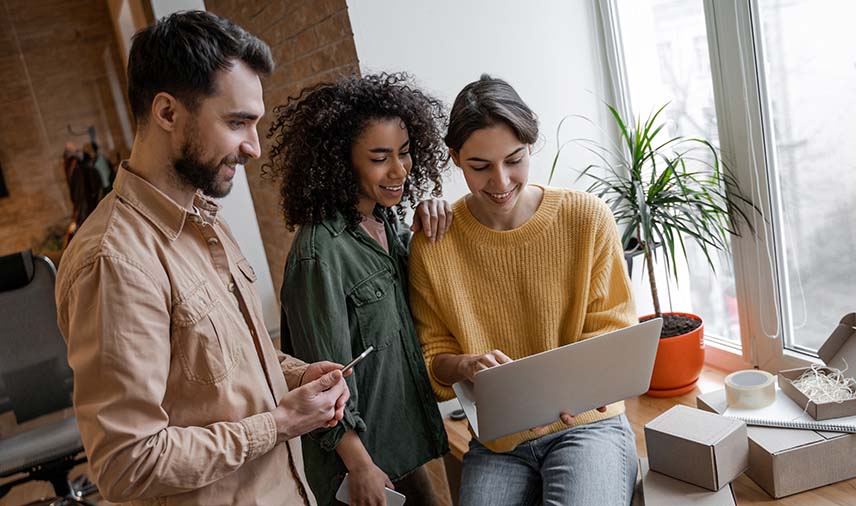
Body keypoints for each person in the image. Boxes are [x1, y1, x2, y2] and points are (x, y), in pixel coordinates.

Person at [55, 11, 350, 506]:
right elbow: (128, 464)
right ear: (168, 113)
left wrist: (296, 376)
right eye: (237, 123)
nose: (253, 148)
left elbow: (214, 367)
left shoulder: (205, 219)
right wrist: (278, 424)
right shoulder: (113, 261)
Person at [409, 74, 639, 506]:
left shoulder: (586, 217)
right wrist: (464, 365)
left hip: (587, 423)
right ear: (455, 157)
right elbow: (429, 358)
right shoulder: (434, 242)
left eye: (514, 159)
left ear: (531, 144)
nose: (499, 182)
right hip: (499, 441)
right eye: (480, 166)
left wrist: (571, 391)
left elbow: (615, 329)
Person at [265, 72, 450, 506]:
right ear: (341, 160)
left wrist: (433, 214)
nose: (399, 170)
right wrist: (361, 465)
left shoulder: (387, 222)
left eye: (404, 154)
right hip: (359, 467)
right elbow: (323, 381)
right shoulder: (319, 255)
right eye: (380, 157)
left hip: (401, 446)